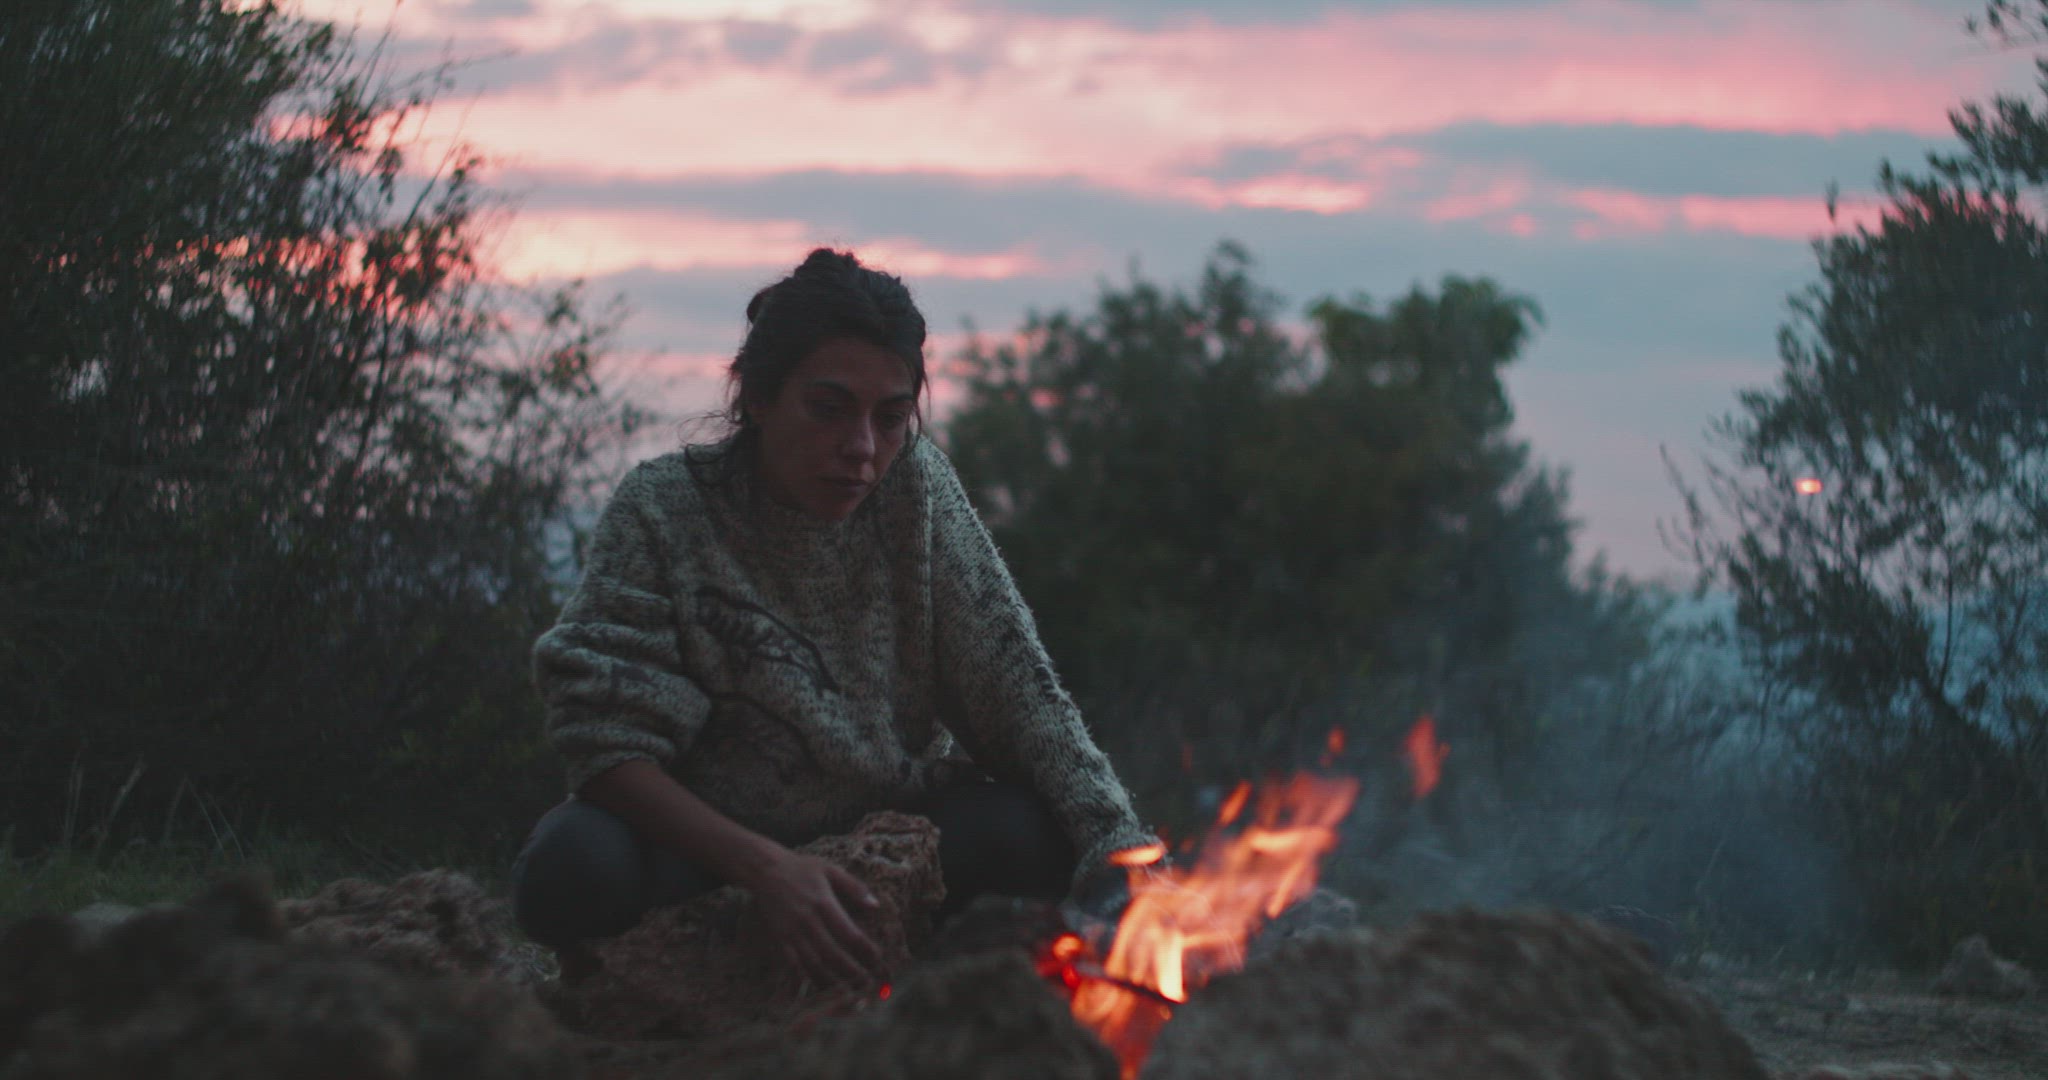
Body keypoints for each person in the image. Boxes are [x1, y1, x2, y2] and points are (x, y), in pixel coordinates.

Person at [509, 248, 1151, 989]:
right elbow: (605, 748)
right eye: (829, 409)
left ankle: (912, 995)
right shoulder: (663, 510)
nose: (862, 449)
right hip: (703, 856)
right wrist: (767, 871)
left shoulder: (916, 490)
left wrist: (1120, 851)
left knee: (1032, 833)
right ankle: (666, 991)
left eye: (890, 418)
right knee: (573, 865)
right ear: (758, 396)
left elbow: (1017, 692)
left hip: (884, 846)